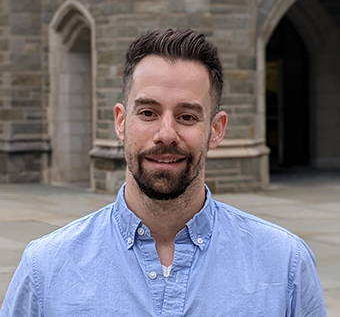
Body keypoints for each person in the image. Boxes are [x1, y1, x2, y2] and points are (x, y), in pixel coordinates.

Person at [0, 29, 326, 316]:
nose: (166, 134)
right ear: (120, 122)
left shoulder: (285, 265)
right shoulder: (46, 268)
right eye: (148, 112)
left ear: (216, 129)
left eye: (186, 116)